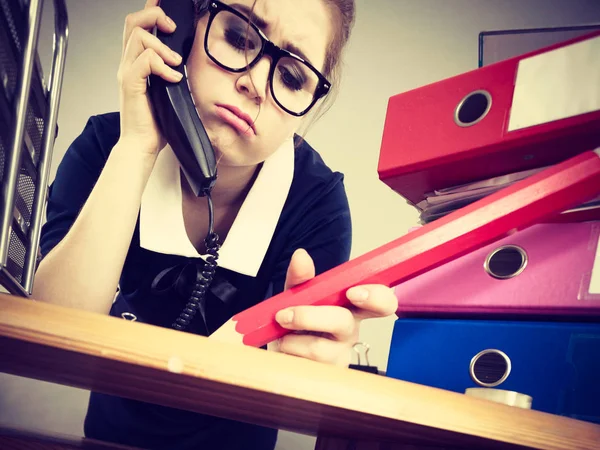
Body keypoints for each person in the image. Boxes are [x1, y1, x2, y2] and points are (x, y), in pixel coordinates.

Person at [32, 0, 397, 448]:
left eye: (292, 76)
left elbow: (283, 385)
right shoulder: (106, 145)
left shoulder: (317, 203)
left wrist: (311, 371)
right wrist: (138, 146)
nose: (256, 85)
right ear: (180, 28)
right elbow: (50, 333)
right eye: (240, 38)